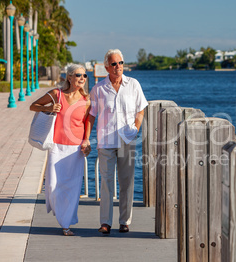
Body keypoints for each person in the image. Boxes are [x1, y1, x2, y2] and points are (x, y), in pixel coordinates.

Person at [82, 49, 148, 234]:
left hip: (127, 139)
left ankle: (125, 221)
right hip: (106, 141)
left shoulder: (133, 84)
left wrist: (135, 128)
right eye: (114, 64)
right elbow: (91, 116)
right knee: (106, 182)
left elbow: (141, 110)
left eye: (120, 63)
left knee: (126, 182)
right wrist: (86, 138)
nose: (118, 66)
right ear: (106, 67)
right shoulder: (98, 89)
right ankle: (105, 222)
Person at [30, 64, 91, 236]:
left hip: (75, 149)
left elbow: (87, 122)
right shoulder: (57, 95)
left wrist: (86, 141)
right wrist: (48, 108)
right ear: (69, 77)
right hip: (57, 146)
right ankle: (61, 212)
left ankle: (66, 224)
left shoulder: (86, 100)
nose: (82, 78)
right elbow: (33, 106)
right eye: (79, 75)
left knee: (72, 187)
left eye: (85, 76)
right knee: (52, 185)